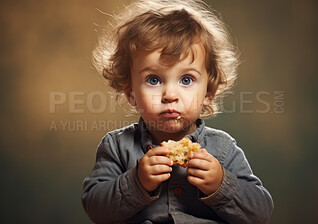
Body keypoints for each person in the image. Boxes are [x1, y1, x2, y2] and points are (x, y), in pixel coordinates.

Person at [82, 0, 274, 223]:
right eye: (153, 80)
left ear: (208, 91)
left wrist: (221, 184)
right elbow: (96, 209)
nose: (170, 95)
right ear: (130, 92)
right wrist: (136, 182)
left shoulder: (223, 149)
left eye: (186, 79)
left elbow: (259, 213)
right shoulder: (117, 146)